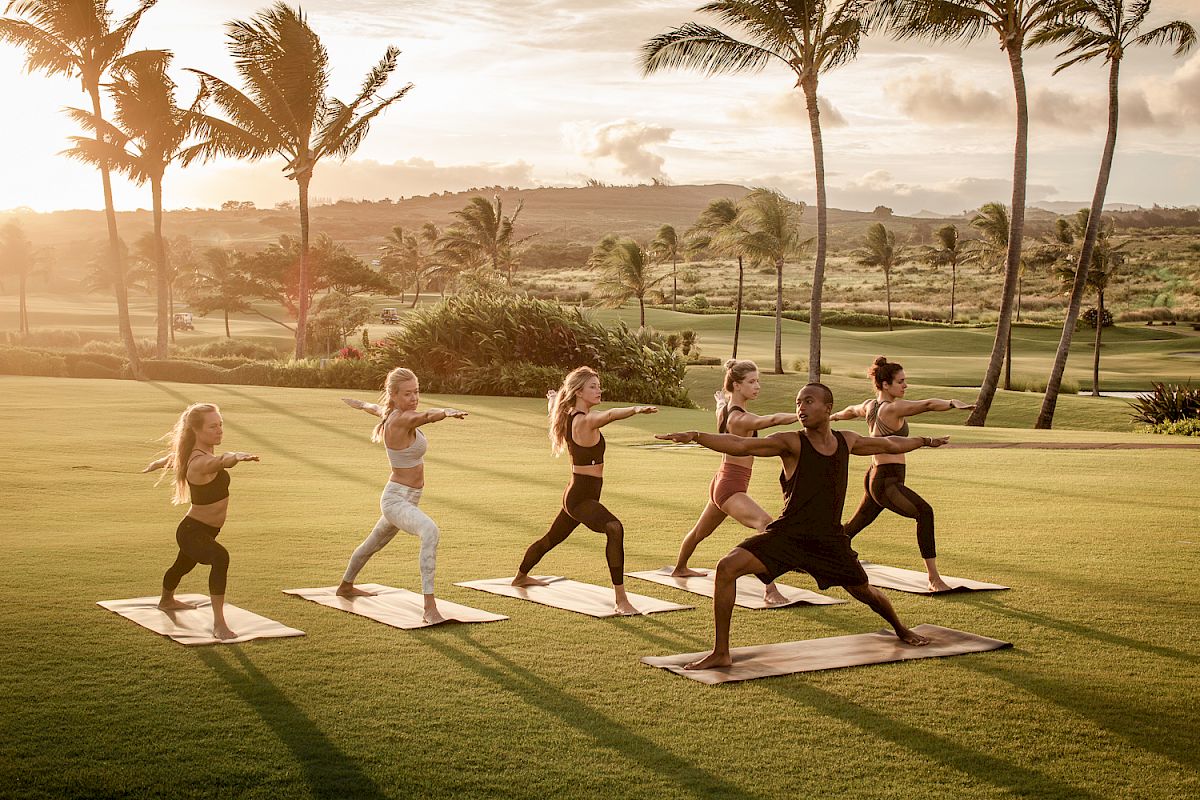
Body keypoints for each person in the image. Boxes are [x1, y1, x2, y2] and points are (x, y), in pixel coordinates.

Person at [656, 383, 949, 669]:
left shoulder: (846, 440)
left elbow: (887, 443)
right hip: (789, 534)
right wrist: (696, 435)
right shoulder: (791, 441)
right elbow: (743, 444)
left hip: (829, 540)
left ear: (827, 408)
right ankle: (721, 652)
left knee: (866, 592)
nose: (801, 407)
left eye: (809, 401)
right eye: (798, 402)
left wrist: (923, 441)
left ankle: (901, 629)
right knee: (727, 567)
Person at [513, 366, 657, 615]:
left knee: (551, 538)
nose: (599, 390)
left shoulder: (569, 414)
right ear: (579, 391)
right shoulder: (584, 420)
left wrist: (551, 401)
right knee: (614, 528)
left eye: (598, 385)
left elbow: (556, 410)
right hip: (580, 497)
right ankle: (621, 600)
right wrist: (634, 409)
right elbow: (609, 415)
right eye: (593, 386)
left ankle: (521, 576)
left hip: (579, 494)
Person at [830, 356, 974, 592]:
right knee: (925, 513)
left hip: (875, 476)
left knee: (853, 527)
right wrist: (950, 403)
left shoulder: (869, 405)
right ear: (886, 385)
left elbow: (850, 411)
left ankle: (811, 557)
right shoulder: (892, 408)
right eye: (901, 381)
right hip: (887, 481)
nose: (905, 386)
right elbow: (926, 405)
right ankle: (934, 579)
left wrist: (832, 416)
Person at [338, 367, 467, 624]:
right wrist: (445, 412)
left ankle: (345, 586)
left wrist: (360, 404)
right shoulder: (401, 420)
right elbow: (426, 416)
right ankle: (429, 607)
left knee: (372, 545)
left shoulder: (390, 413)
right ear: (394, 395)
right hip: (396, 500)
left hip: (407, 499)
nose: (414, 398)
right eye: (407, 394)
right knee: (430, 531)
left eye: (416, 392)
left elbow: (375, 409)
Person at [672, 359, 799, 604]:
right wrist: (801, 415)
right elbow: (769, 420)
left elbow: (721, 404)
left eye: (758, 381)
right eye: (752, 382)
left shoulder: (726, 409)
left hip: (722, 480)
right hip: (730, 486)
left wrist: (721, 400)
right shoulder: (741, 419)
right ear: (737, 385)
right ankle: (770, 590)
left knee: (700, 532)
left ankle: (680, 568)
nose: (757, 386)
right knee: (765, 523)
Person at [143, 403, 259, 640]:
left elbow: (176, 458)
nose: (219, 431)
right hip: (192, 531)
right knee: (220, 558)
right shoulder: (200, 462)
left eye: (221, 425)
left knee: (182, 566)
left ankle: (166, 601)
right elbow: (217, 463)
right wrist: (234, 456)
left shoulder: (194, 456)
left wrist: (158, 463)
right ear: (196, 430)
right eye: (213, 426)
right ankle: (219, 624)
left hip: (203, 530)